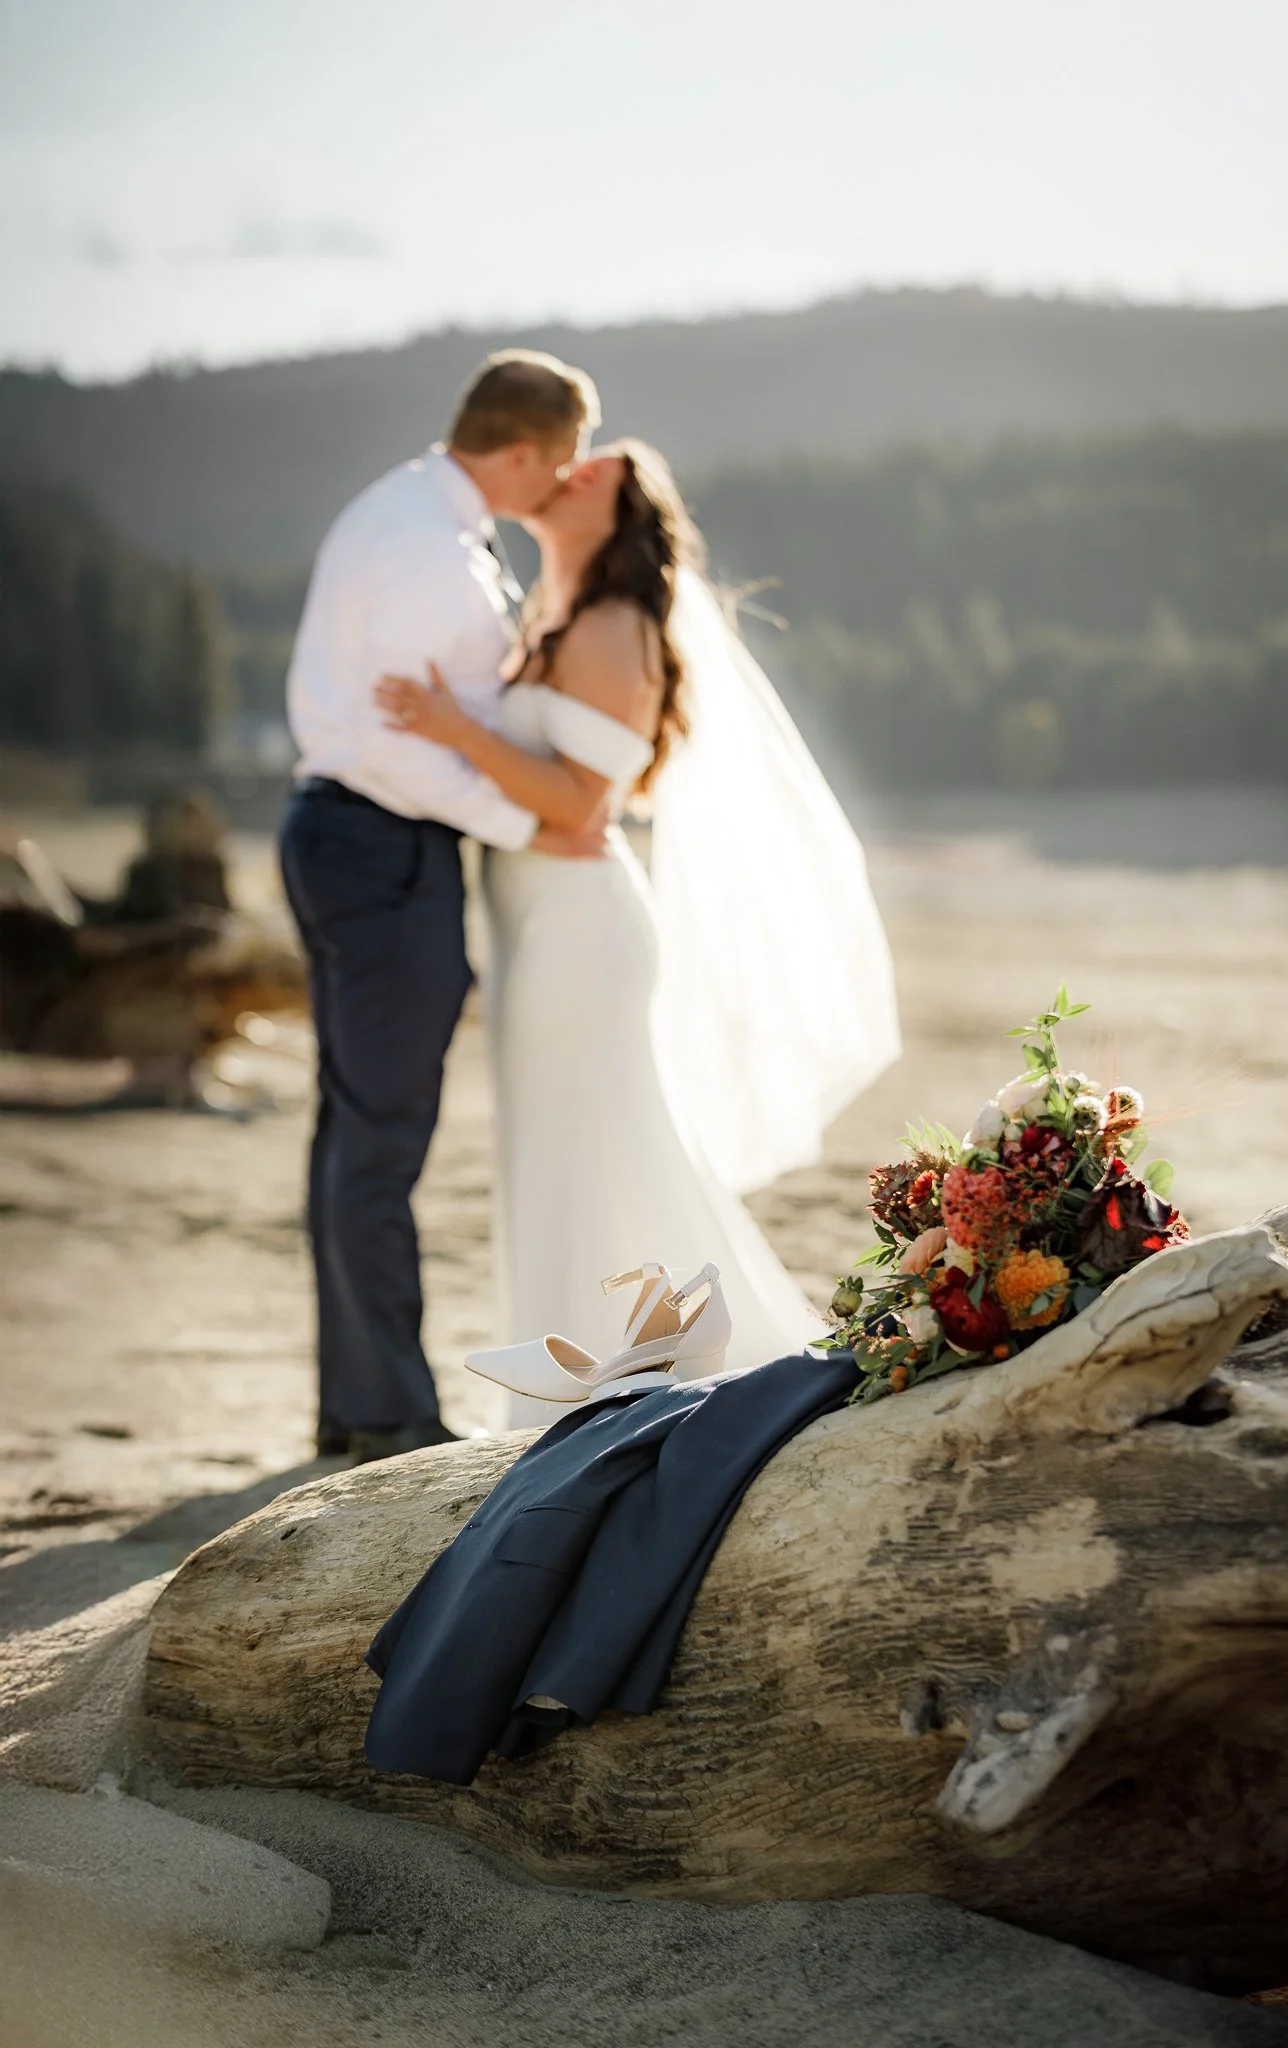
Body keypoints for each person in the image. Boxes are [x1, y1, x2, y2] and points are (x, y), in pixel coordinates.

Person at [375, 440, 902, 1426]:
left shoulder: (615, 625)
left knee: (599, 1150)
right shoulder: (557, 616)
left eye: (591, 474)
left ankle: (642, 1382)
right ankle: (597, 1383)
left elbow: (580, 806)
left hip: (579, 931)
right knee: (571, 1152)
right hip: (543, 925)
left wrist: (454, 725)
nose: (567, 471)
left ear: (619, 518)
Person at [280, 349, 604, 1463]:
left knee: (356, 1127)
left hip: (358, 839)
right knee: (379, 1136)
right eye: (557, 463)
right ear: (520, 450)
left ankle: (356, 1400)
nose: (559, 484)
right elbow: (392, 742)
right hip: (380, 842)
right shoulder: (423, 545)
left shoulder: (417, 512)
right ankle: (385, 1412)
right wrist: (536, 825)